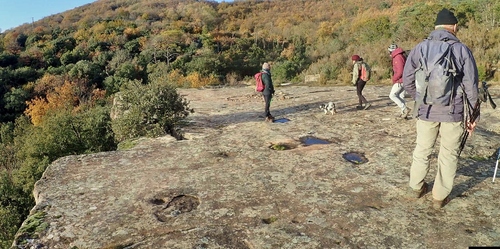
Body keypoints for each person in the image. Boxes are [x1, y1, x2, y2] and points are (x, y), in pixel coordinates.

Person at [402, 8, 479, 209]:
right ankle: (439, 197)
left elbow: (407, 80)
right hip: (453, 113)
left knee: (422, 150)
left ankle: (415, 188)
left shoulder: (420, 48)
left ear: (436, 26)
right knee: (448, 154)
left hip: (425, 111)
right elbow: (471, 87)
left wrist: (420, 99)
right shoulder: (461, 49)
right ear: (454, 26)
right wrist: (473, 115)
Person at [388, 44, 411, 118]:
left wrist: (394, 78)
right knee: (400, 95)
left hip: (400, 80)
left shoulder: (397, 57)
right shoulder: (400, 56)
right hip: (404, 79)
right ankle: (404, 113)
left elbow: (400, 71)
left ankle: (404, 109)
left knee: (392, 95)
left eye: (389, 52)